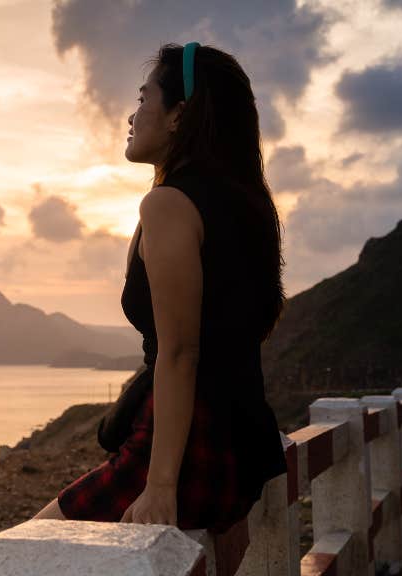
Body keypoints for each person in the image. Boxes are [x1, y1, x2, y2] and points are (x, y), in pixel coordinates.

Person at [31, 41, 289, 534]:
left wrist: (161, 485)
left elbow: (180, 354)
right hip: (241, 449)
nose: (132, 116)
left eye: (144, 99)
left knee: (27, 551)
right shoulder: (244, 205)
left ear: (178, 116)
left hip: (189, 451)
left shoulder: (169, 206)